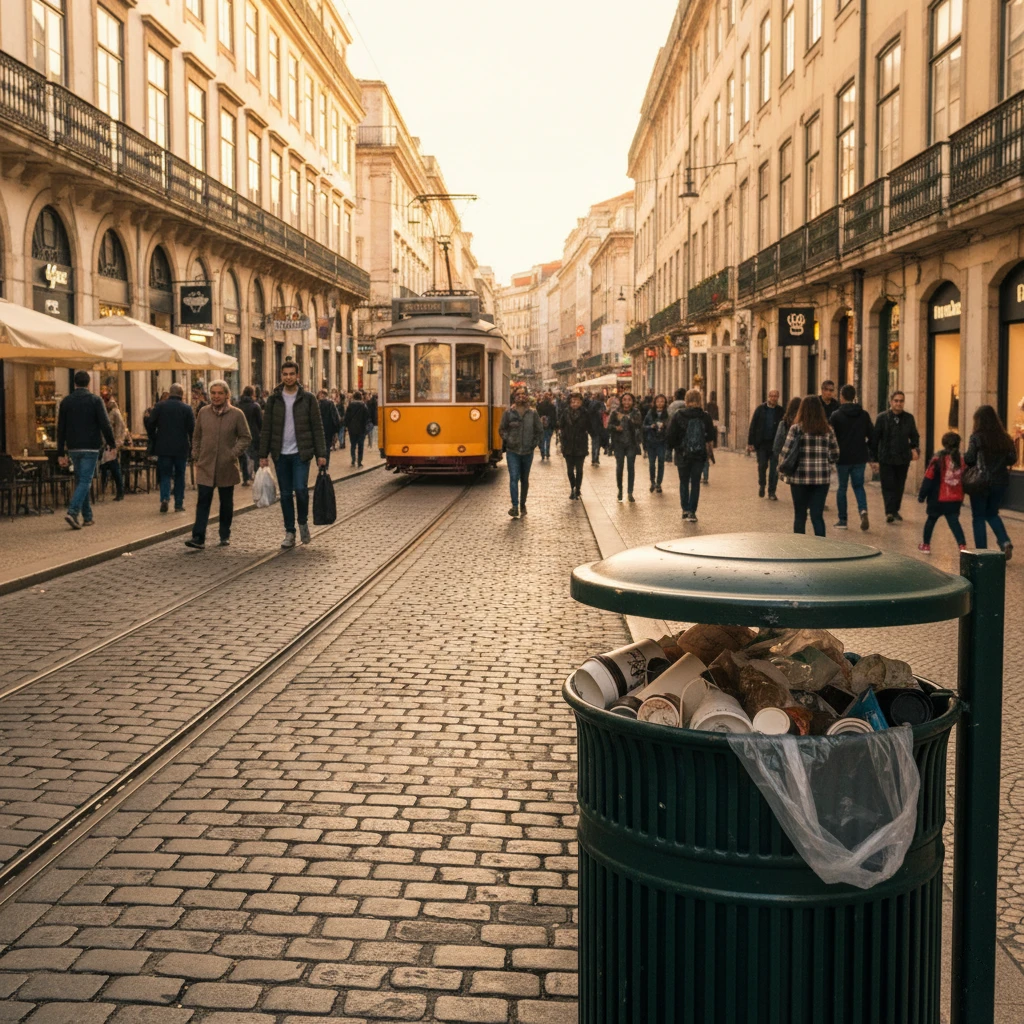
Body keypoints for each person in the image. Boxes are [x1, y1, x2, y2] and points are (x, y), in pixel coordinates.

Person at [259, 360, 327, 548]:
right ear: (281, 376)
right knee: (286, 494)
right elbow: (267, 428)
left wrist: (322, 454)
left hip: (301, 453)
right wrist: (263, 454)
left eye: (291, 374)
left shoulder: (308, 398)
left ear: (298, 376)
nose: (288, 377)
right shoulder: (274, 399)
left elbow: (317, 427)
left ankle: (303, 521)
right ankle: (290, 531)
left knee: (301, 490)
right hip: (280, 455)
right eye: (285, 374)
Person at [185, 380, 251, 550]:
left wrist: (232, 453)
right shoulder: (203, 412)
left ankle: (224, 533)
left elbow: (246, 437)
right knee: (203, 501)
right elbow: (196, 435)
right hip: (205, 465)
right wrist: (196, 454)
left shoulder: (237, 414)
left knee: (226, 502)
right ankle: (198, 537)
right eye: (213, 393)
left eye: (219, 393)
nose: (216, 396)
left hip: (226, 466)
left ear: (227, 395)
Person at [56, 370, 116, 530]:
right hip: (90, 447)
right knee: (85, 481)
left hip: (73, 447)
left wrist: (60, 451)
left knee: (81, 481)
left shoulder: (66, 402)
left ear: (74, 383)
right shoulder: (95, 400)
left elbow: (60, 428)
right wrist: (111, 442)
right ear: (88, 383)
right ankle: (73, 512)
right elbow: (105, 423)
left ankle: (88, 517)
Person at [777, 396, 840, 537]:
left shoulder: (795, 429)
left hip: (799, 479)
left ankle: (800, 549)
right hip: (821, 480)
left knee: (800, 515)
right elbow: (835, 454)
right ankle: (821, 549)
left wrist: (782, 473)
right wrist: (824, 460)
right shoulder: (828, 430)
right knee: (817, 516)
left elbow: (785, 452)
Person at [963, 404, 1017, 559]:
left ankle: (983, 553)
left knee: (979, 516)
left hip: (981, 482)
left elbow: (970, 459)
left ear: (978, 421)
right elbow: (1012, 459)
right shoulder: (1005, 438)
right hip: (1000, 482)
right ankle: (1005, 541)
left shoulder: (977, 437)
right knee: (992, 513)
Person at [665, 388, 715, 522]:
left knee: (684, 482)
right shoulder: (705, 416)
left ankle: (685, 509)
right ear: (700, 400)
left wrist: (672, 450)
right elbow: (710, 437)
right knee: (695, 483)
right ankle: (692, 511)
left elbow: (670, 435)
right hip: (699, 454)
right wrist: (710, 453)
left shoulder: (678, 415)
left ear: (686, 400)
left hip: (682, 454)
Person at [870, 391, 920, 523]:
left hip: (903, 458)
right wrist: (873, 459)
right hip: (886, 458)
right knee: (888, 485)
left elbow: (914, 436)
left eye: (901, 401)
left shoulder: (909, 418)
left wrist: (914, 449)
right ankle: (889, 512)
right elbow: (875, 439)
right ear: (891, 402)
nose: (899, 403)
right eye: (896, 401)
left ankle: (895, 510)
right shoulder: (882, 418)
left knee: (899, 485)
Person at [146, 382, 195, 514]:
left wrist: (154, 437)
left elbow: (150, 423)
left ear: (170, 393)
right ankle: (178, 504)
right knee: (180, 475)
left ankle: (165, 499)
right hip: (181, 447)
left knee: (165, 474)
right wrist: (193, 446)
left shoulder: (160, 406)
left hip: (163, 447)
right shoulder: (187, 408)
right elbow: (192, 430)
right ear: (181, 394)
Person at [829, 384, 873, 531]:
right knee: (859, 486)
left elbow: (831, 436)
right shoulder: (864, 414)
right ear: (854, 397)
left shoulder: (836, 416)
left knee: (842, 488)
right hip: (859, 456)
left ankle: (843, 520)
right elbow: (871, 435)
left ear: (841, 397)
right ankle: (863, 510)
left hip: (842, 458)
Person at [917, 431, 967, 554]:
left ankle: (926, 545)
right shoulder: (961, 461)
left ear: (944, 444)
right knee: (954, 523)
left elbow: (928, 479)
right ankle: (962, 546)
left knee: (931, 521)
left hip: (937, 498)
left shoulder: (937, 459)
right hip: (955, 499)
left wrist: (922, 495)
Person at [499, 387, 543, 518]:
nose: (521, 396)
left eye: (523, 394)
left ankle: (523, 503)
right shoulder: (508, 413)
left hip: (528, 452)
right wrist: (509, 440)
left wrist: (533, 443)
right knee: (513, 478)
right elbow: (502, 429)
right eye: (518, 394)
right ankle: (515, 506)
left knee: (524, 479)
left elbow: (539, 431)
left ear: (527, 397)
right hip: (513, 451)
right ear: (515, 397)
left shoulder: (533, 413)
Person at [747, 389, 784, 499]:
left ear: (778, 397)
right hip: (762, 444)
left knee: (774, 469)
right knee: (762, 466)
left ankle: (772, 491)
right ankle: (762, 485)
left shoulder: (780, 411)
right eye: (771, 396)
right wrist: (750, 442)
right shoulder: (760, 409)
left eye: (775, 396)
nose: (773, 398)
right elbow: (753, 425)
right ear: (768, 397)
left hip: (775, 445)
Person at [608, 392, 643, 502]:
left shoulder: (636, 412)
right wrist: (615, 427)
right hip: (618, 443)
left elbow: (638, 425)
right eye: (624, 400)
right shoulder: (615, 412)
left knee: (630, 468)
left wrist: (629, 419)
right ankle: (620, 490)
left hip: (631, 443)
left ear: (632, 402)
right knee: (619, 467)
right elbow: (609, 426)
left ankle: (630, 492)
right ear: (621, 401)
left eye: (629, 400)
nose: (627, 402)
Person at [559, 391, 590, 500]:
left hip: (580, 444)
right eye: (572, 402)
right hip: (568, 444)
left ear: (581, 402)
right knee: (569, 470)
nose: (575, 404)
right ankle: (572, 487)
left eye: (577, 401)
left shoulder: (585, 413)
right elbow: (561, 425)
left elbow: (589, 426)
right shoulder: (565, 413)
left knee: (579, 469)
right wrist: (562, 439)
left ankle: (578, 489)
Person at [98, 390, 126, 501]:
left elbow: (120, 427)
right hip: (104, 444)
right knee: (104, 467)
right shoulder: (103, 411)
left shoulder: (114, 412)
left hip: (112, 444)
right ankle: (103, 491)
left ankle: (120, 491)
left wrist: (117, 443)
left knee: (114, 467)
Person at [643, 394, 670, 493]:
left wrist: (665, 425)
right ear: (655, 403)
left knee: (661, 462)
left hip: (662, 442)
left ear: (665, 403)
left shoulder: (667, 414)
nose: (660, 403)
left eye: (662, 401)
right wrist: (651, 426)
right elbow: (644, 426)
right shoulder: (650, 413)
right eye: (658, 401)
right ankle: (652, 481)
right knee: (651, 463)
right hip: (651, 442)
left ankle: (659, 483)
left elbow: (671, 426)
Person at [237, 386, 263, 483]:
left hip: (241, 435)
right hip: (254, 434)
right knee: (255, 456)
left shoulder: (238, 406)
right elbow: (260, 422)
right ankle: (257, 475)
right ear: (252, 394)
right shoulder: (255, 406)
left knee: (244, 457)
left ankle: (245, 478)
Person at [343, 390, 371, 467]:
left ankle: (353, 460)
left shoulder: (350, 405)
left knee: (353, 445)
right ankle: (359, 461)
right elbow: (367, 418)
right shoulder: (364, 405)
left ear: (354, 397)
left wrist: (346, 426)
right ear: (360, 397)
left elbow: (347, 417)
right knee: (360, 446)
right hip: (361, 429)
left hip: (352, 429)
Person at [317, 389, 341, 468]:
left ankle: (320, 465)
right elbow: (336, 418)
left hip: (318, 430)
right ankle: (325, 465)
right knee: (327, 448)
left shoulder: (316, 404)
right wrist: (336, 430)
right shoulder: (330, 403)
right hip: (328, 430)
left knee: (319, 448)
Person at [703, 391, 721, 485]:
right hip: (712, 425)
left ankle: (705, 476)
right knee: (707, 452)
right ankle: (705, 476)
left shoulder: (708, 406)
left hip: (708, 427)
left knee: (705, 455)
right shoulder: (715, 406)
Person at [587, 392, 606, 466]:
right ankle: (596, 458)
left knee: (594, 442)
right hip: (598, 426)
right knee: (597, 443)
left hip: (591, 426)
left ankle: (593, 458)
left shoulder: (591, 403)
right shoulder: (600, 404)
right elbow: (602, 414)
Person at [536, 391, 556, 460]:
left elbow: (538, 415)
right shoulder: (552, 406)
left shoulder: (540, 405)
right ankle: (547, 453)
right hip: (550, 425)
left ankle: (542, 453)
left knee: (542, 439)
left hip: (542, 424)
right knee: (548, 439)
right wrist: (554, 426)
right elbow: (554, 417)